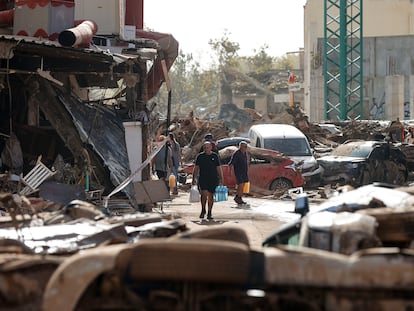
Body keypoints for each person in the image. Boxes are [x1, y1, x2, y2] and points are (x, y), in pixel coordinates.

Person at [192, 141, 223, 220]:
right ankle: (203, 209)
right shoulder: (200, 156)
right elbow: (196, 168)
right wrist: (193, 178)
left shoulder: (215, 156)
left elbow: (218, 168)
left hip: (213, 178)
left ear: (211, 148)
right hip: (203, 178)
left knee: (211, 196)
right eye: (205, 148)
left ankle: (209, 212)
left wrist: (221, 179)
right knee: (204, 194)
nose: (206, 149)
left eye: (208, 147)